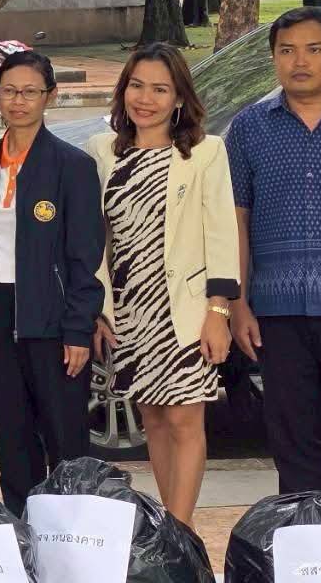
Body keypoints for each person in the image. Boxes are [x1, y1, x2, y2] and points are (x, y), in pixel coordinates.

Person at [86, 43, 238, 526]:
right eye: (136, 85)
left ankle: (181, 529)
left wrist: (219, 312)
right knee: (152, 417)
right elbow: (94, 241)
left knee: (184, 418)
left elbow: (221, 232)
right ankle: (171, 525)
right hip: (129, 310)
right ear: (123, 89)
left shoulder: (204, 152)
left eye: (159, 88)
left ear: (178, 98)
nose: (144, 98)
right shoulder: (102, 152)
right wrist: (98, 307)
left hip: (186, 310)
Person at [227, 7, 321, 495]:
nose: (299, 62)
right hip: (275, 313)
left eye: (313, 50)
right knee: (292, 442)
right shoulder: (249, 128)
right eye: (286, 51)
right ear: (273, 58)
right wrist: (238, 303)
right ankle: (306, 548)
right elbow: (237, 220)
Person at [0, 50, 104, 517]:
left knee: (65, 438)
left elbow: (86, 256)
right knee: (12, 434)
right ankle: (23, 531)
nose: (18, 101)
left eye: (30, 92)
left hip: (53, 317)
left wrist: (79, 327)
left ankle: (72, 538)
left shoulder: (71, 166)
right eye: (9, 91)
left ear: (50, 97)